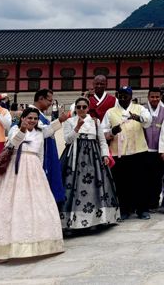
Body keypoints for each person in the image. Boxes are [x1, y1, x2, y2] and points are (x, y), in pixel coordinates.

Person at [0, 107, 64, 260]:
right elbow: (12, 145)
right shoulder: (14, 129)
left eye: (35, 118)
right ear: (23, 118)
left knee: (36, 203)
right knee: (10, 202)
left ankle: (41, 243)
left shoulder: (40, 133)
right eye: (29, 118)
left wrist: (62, 119)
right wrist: (22, 130)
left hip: (33, 169)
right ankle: (3, 246)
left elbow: (42, 149)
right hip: (15, 168)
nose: (32, 121)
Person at [60, 97, 119, 231]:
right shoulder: (69, 121)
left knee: (94, 187)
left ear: (88, 108)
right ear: (75, 108)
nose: (81, 109)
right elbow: (68, 140)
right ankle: (74, 220)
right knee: (74, 187)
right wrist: (77, 127)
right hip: (74, 157)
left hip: (93, 156)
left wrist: (105, 155)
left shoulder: (96, 121)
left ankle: (97, 218)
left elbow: (102, 141)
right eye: (78, 107)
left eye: (84, 107)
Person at [103, 86, 152, 220]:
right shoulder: (110, 112)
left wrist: (137, 118)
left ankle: (142, 210)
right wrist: (113, 131)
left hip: (138, 151)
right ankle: (124, 209)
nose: (123, 98)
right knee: (121, 183)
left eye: (126, 95)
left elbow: (148, 122)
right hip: (119, 153)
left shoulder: (140, 108)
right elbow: (103, 133)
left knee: (141, 182)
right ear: (117, 95)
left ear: (131, 96)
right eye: (121, 95)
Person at [28, 89, 66, 205]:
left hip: (48, 151)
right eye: (49, 100)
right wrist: (59, 121)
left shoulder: (40, 113)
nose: (50, 103)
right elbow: (41, 132)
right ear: (41, 99)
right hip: (41, 153)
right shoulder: (31, 114)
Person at [143, 87, 164, 211]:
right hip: (144, 151)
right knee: (144, 178)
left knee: (157, 178)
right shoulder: (142, 109)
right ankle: (144, 203)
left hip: (158, 151)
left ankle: (154, 202)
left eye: (157, 97)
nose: (155, 99)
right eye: (152, 97)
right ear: (148, 97)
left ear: (160, 97)